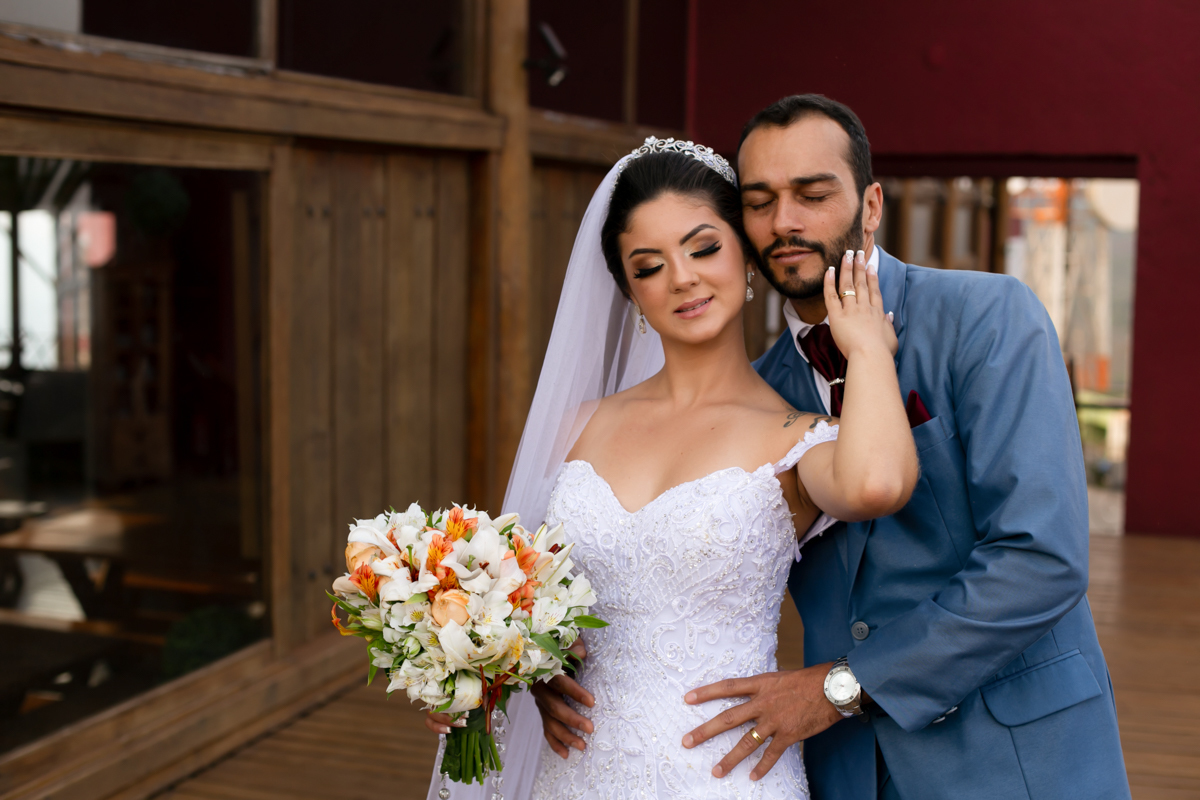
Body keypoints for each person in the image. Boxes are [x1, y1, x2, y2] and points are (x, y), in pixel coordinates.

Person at [424, 138, 918, 798]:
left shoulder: (798, 439)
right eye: (650, 266)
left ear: (746, 255)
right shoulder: (576, 426)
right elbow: (514, 593)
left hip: (724, 775)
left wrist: (868, 350)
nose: (682, 278)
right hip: (574, 770)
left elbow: (878, 484)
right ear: (629, 289)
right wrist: (492, 671)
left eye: (704, 248)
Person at [674, 95, 1132, 800]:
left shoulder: (989, 318)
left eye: (813, 195)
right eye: (760, 202)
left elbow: (1042, 556)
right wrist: (549, 656)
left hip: (1018, 758)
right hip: (848, 771)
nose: (784, 222)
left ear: (871, 205)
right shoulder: (754, 392)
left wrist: (842, 687)